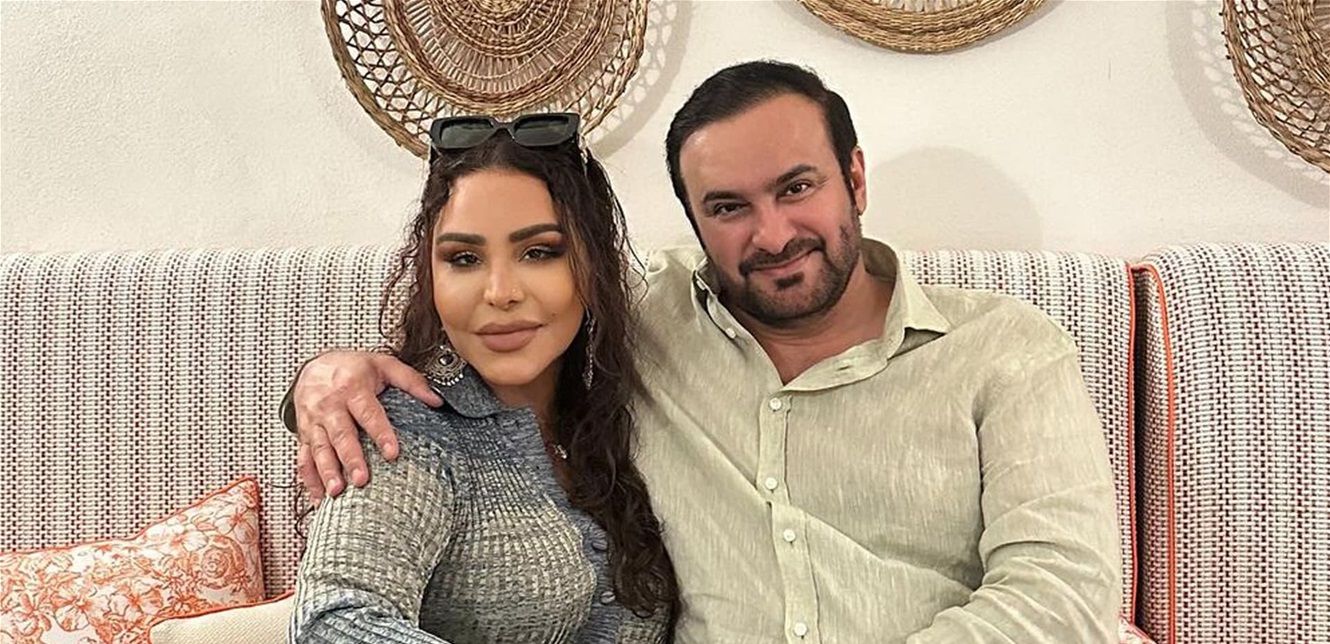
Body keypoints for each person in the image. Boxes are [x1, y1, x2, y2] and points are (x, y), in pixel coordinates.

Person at [286, 62, 1121, 643]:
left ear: (856, 179)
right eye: (727, 207)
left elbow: (1062, 595)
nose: (773, 234)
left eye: (797, 187)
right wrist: (324, 376)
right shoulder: (651, 321)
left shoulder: (1007, 352)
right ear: (694, 222)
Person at [289, 112, 676, 643]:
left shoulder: (623, 410)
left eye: (538, 252)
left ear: (593, 265)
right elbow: (331, 623)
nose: (500, 292)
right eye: (464, 258)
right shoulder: (406, 428)